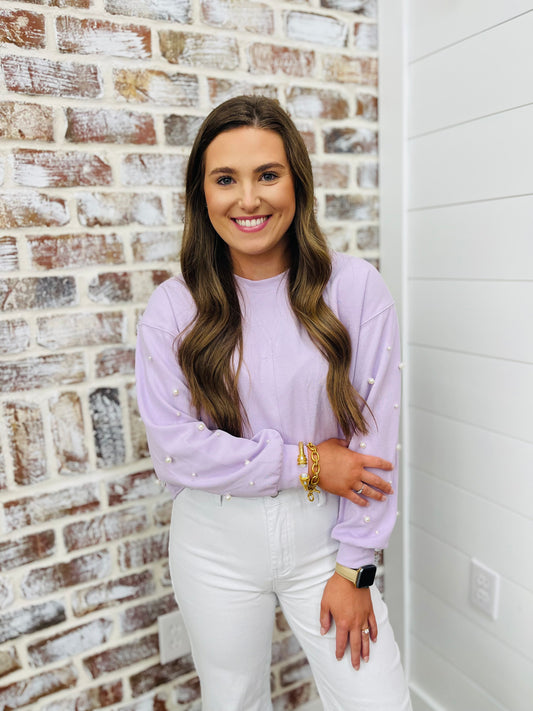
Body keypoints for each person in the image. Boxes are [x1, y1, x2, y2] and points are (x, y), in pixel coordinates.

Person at [136, 95, 411, 711]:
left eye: (268, 175)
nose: (249, 199)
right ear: (202, 195)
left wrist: (356, 568)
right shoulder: (174, 309)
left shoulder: (355, 289)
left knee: (377, 700)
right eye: (226, 179)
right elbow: (178, 455)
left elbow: (373, 440)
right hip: (214, 540)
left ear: (297, 182)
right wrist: (310, 461)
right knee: (233, 702)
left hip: (327, 539)